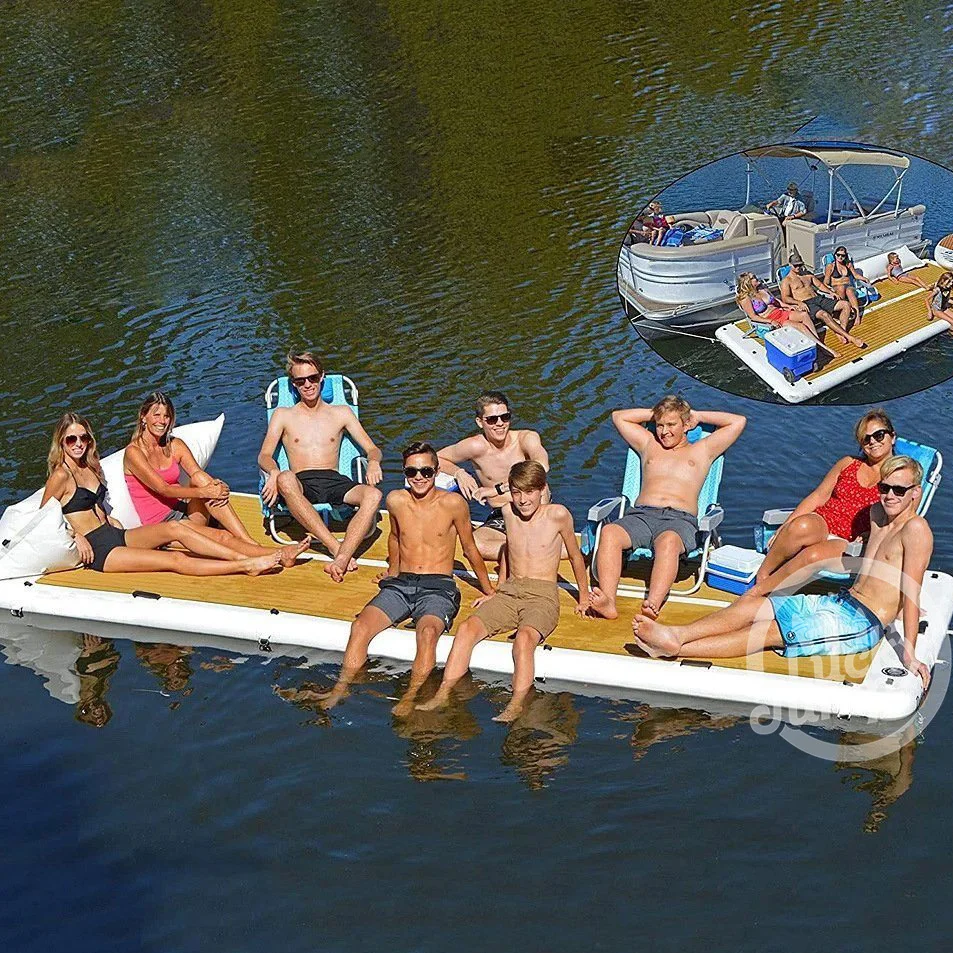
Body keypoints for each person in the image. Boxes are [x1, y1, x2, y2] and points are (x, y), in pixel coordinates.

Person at [632, 455, 934, 691]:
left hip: (862, 623)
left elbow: (911, 591)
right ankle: (677, 634)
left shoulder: (916, 529)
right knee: (755, 605)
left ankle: (676, 649)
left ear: (915, 493)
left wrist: (909, 654)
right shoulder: (877, 515)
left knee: (771, 632)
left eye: (899, 490)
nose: (889, 495)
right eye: (884, 488)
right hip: (841, 601)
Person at [317, 442, 494, 714]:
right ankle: (340, 688)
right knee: (360, 627)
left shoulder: (453, 504)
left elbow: (470, 549)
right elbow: (395, 538)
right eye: (412, 472)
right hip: (402, 584)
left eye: (426, 471)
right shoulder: (396, 500)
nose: (419, 477)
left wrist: (489, 590)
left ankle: (410, 696)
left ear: (436, 471)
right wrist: (392, 572)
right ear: (404, 472)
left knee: (427, 633)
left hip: (437, 586)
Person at [417, 461, 590, 723]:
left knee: (524, 640)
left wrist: (583, 597)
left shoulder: (558, 515)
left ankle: (516, 704)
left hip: (542, 595)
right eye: (517, 492)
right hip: (510, 592)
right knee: (466, 629)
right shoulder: (508, 512)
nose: (523, 500)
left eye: (530, 492)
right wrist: (496, 590)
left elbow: (576, 556)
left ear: (542, 490)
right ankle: (443, 693)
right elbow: (509, 550)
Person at [42, 414, 286, 576]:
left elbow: (92, 507)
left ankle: (252, 555)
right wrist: (76, 536)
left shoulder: (90, 467)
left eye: (83, 438)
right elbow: (42, 519)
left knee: (176, 529)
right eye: (71, 439)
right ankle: (246, 565)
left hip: (115, 534)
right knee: (175, 560)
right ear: (61, 442)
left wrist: (109, 518)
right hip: (99, 551)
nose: (78, 443)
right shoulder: (61, 476)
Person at [589, 397, 746, 622]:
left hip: (679, 520)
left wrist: (697, 416)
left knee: (668, 542)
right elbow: (619, 417)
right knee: (610, 532)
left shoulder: (703, 450)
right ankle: (608, 601)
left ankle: (653, 603)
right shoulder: (648, 444)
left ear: (686, 425)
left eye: (671, 424)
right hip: (640, 515)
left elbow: (738, 422)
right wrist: (656, 414)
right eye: (660, 425)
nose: (664, 432)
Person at [124, 392, 306, 567]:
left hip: (184, 510)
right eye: (156, 415)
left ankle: (247, 540)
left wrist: (214, 485)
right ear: (143, 417)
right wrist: (204, 492)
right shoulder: (134, 452)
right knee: (223, 537)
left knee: (200, 477)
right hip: (164, 525)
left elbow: (197, 473)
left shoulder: (174, 444)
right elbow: (163, 489)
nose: (162, 421)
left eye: (166, 416)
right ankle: (277, 554)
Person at [258, 350, 384, 582]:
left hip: (335, 480)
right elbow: (264, 455)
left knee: (374, 495)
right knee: (285, 478)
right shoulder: (283, 415)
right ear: (293, 384)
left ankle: (341, 557)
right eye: (300, 381)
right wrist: (274, 472)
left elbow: (372, 448)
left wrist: (374, 462)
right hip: (301, 482)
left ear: (322, 376)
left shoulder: (341, 413)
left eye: (312, 378)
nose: (307, 385)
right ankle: (335, 547)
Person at [750, 409, 899, 597]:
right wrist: (786, 526)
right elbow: (818, 496)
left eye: (879, 435)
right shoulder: (848, 463)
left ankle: (763, 595)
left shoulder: (899, 477)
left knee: (811, 556)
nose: (872, 442)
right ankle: (762, 576)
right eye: (865, 438)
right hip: (823, 523)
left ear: (892, 437)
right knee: (798, 527)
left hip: (851, 543)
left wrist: (872, 534)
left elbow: (900, 522)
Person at [436, 391, 552, 563]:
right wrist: (460, 473)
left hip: (535, 509)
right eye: (492, 419)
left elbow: (541, 466)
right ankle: (526, 549)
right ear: (480, 422)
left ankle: (528, 545)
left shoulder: (526, 438)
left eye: (504, 417)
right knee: (474, 545)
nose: (499, 424)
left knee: (541, 489)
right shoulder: (474, 446)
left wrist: (496, 489)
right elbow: (434, 459)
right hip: (501, 515)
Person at [779, 252, 867, 348]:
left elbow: (820, 285)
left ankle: (841, 331)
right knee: (825, 315)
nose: (798, 267)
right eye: (795, 265)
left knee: (846, 304)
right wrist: (798, 303)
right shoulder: (786, 281)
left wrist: (831, 292)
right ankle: (850, 337)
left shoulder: (807, 275)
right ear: (790, 265)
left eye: (800, 265)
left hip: (818, 298)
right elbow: (785, 298)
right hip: (806, 303)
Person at [734, 272, 821, 341]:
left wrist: (789, 306)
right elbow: (753, 316)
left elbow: (776, 300)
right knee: (801, 326)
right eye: (753, 278)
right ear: (747, 283)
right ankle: (818, 345)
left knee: (804, 315)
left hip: (780, 312)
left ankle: (817, 341)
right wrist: (771, 321)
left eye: (755, 276)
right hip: (771, 319)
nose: (756, 278)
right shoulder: (745, 298)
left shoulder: (762, 289)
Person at [823, 246, 868, 323]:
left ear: (845, 256)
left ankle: (857, 315)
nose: (840, 257)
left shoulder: (848, 264)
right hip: (837, 287)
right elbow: (825, 282)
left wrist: (864, 279)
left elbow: (855, 275)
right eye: (838, 255)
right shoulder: (831, 266)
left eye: (843, 255)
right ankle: (842, 311)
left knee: (849, 291)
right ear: (835, 255)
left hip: (849, 286)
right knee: (841, 288)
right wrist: (830, 291)